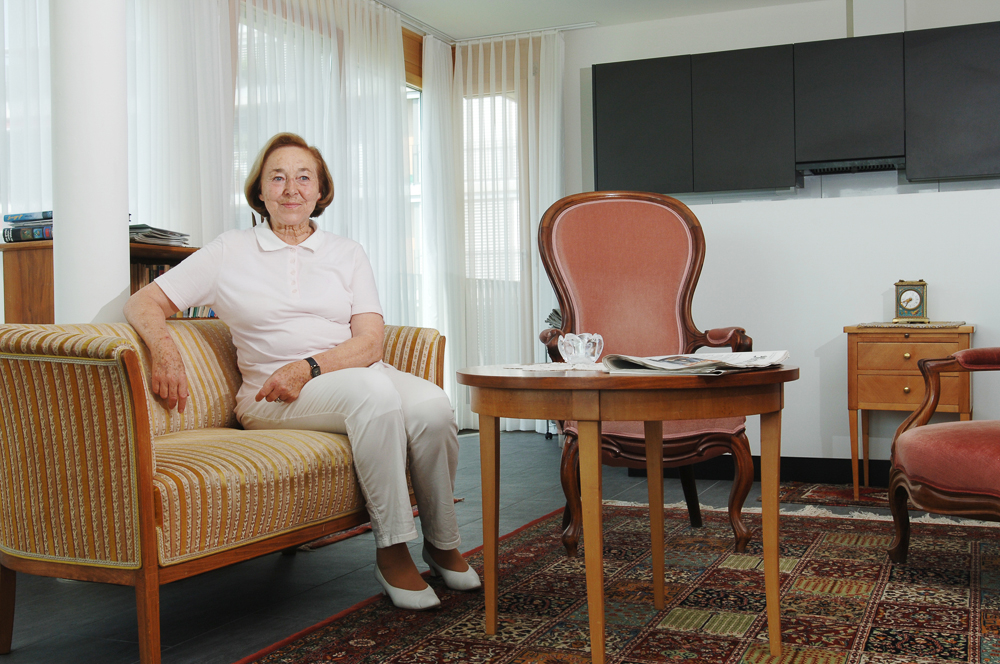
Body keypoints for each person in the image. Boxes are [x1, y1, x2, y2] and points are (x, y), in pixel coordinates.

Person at [123, 132, 479, 610]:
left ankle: (441, 541)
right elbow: (144, 302)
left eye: (303, 177)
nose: (291, 189)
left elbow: (371, 341)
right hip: (271, 395)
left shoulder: (347, 252)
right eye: (277, 177)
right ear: (260, 190)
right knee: (373, 394)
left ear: (320, 190)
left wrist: (309, 367)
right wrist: (166, 353)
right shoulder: (230, 250)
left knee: (433, 405)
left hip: (338, 373)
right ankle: (392, 549)